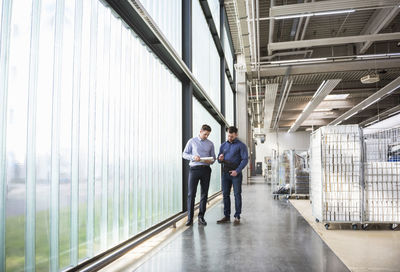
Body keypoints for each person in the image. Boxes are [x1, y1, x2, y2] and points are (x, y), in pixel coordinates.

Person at [182, 124, 216, 226]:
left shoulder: (210, 144)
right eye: (205, 134)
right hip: (194, 170)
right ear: (200, 131)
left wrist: (211, 161)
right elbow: (184, 154)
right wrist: (193, 157)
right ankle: (190, 218)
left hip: (206, 170)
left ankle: (201, 217)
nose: (206, 136)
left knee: (204, 194)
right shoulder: (192, 141)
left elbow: (213, 157)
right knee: (191, 194)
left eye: (208, 135)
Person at [217, 126, 248, 225]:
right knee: (225, 195)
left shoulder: (241, 145)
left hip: (236, 173)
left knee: (237, 195)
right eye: (229, 136)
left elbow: (245, 159)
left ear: (236, 134)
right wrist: (220, 159)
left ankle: (237, 216)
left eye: (232, 136)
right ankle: (226, 216)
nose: (229, 138)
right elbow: (219, 160)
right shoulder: (223, 145)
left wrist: (237, 171)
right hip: (225, 173)